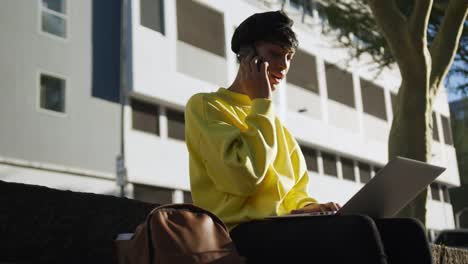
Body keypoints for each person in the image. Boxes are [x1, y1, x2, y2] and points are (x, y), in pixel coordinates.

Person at [185, 10, 433, 264]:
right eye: (275, 54)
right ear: (248, 57)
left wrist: (308, 208)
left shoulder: (273, 124)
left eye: (289, 57)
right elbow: (243, 178)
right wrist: (261, 104)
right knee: (356, 229)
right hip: (236, 234)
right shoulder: (207, 106)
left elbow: (292, 191)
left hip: (281, 228)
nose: (284, 66)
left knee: (408, 230)